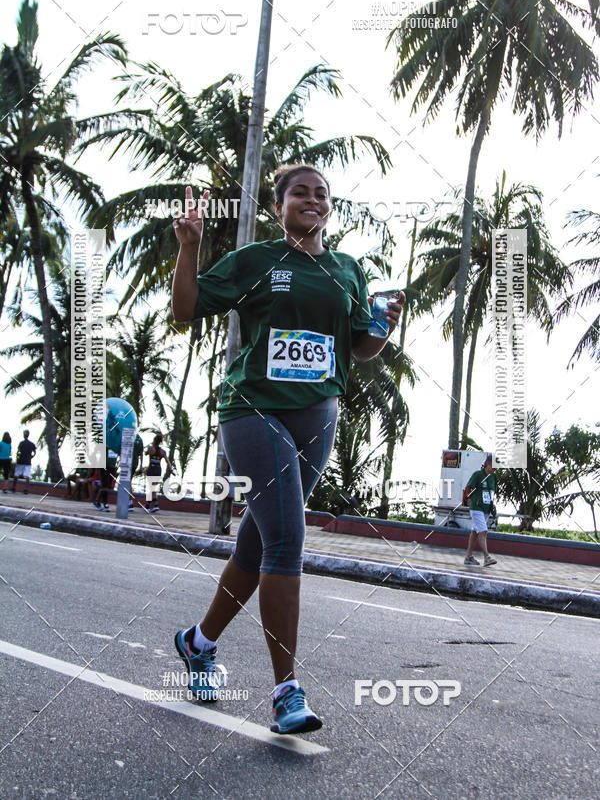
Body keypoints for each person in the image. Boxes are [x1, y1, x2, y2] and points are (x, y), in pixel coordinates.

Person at [171, 167, 405, 734]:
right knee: (288, 538)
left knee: (259, 544)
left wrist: (384, 326)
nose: (312, 200)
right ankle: (286, 692)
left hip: (319, 415)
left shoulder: (347, 269)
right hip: (254, 411)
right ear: (279, 205)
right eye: (300, 192)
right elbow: (185, 308)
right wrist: (191, 247)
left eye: (321, 194)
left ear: (329, 208)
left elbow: (359, 350)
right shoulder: (256, 261)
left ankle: (198, 643)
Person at [463, 454, 498, 567]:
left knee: (475, 532)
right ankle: (487, 557)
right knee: (483, 531)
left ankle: (468, 557)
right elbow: (468, 488)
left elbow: (492, 492)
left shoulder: (493, 477)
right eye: (492, 467)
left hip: (486, 509)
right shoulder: (478, 474)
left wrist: (492, 505)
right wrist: (470, 499)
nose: (493, 470)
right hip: (476, 507)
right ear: (487, 464)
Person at [144, 433, 175, 512]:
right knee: (153, 488)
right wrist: (171, 470)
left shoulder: (151, 448)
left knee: (151, 488)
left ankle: (153, 505)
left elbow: (146, 453)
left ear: (154, 440)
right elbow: (168, 462)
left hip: (151, 469)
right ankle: (149, 505)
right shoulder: (163, 451)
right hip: (158, 470)